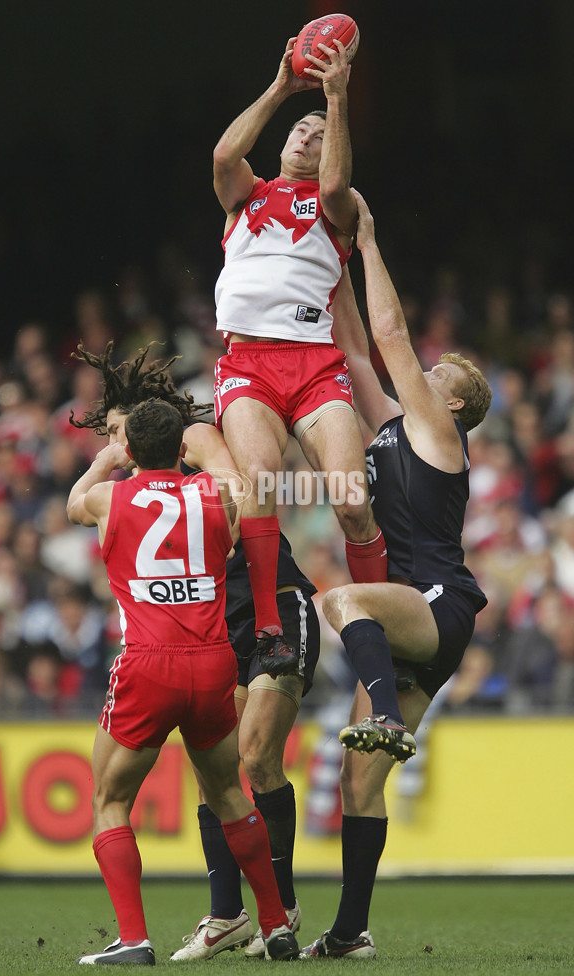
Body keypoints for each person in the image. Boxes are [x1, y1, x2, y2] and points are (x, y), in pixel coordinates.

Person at [70, 342, 320, 959]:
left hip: (152, 662)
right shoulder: (214, 497)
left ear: (130, 440)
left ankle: (132, 939)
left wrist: (106, 462)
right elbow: (239, 508)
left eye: (116, 433)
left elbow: (79, 503)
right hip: (213, 660)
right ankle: (271, 921)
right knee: (228, 791)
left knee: (110, 801)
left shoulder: (117, 496)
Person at [300, 191, 492, 958]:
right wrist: (333, 251)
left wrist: (372, 239)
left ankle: (380, 708)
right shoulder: (391, 426)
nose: (426, 368)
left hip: (436, 604)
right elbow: (353, 346)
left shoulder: (441, 428)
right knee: (358, 785)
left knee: (341, 599)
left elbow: (388, 332)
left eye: (438, 370)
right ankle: (350, 933)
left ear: (452, 400)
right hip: (420, 620)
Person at [212, 33, 387, 673]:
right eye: (300, 131)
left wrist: (336, 100)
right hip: (248, 365)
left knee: (350, 499)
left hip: (314, 365)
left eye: (319, 133)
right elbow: (226, 151)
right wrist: (283, 87)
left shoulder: (336, 205)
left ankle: (380, 614)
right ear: (282, 143)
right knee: (259, 483)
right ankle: (268, 628)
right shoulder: (246, 195)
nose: (307, 137)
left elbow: (339, 176)